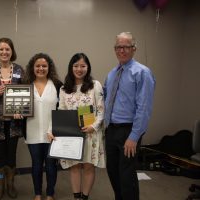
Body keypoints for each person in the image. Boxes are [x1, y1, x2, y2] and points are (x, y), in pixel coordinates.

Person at [104, 32, 155, 200]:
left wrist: (134, 136)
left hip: (129, 131)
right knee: (112, 172)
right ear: (114, 49)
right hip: (111, 130)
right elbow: (105, 100)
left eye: (126, 47)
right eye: (119, 47)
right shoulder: (112, 74)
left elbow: (144, 108)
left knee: (127, 176)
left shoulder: (142, 73)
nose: (122, 50)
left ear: (134, 49)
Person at [49, 53, 106, 200]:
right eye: (76, 66)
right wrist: (54, 130)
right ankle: (76, 197)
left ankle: (85, 197)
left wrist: (94, 126)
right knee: (74, 167)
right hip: (72, 134)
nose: (79, 69)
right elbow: (61, 111)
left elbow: (101, 110)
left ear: (88, 67)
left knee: (88, 166)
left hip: (91, 133)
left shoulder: (95, 85)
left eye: (83, 66)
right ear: (71, 67)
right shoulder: (64, 89)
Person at [0, 37, 24, 200]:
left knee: (11, 155)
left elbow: (25, 95)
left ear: (12, 51)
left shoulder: (20, 70)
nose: (4, 52)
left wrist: (21, 110)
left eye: (7, 49)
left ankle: (10, 184)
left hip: (14, 122)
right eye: (1, 49)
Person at [24, 53, 63, 200]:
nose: (41, 68)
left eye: (44, 66)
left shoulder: (58, 85)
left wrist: (56, 129)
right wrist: (16, 114)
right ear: (32, 68)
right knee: (36, 165)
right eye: (38, 66)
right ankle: (38, 193)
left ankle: (50, 194)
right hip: (32, 131)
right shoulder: (25, 85)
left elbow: (62, 108)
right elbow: (19, 107)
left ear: (49, 67)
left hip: (52, 132)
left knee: (51, 165)